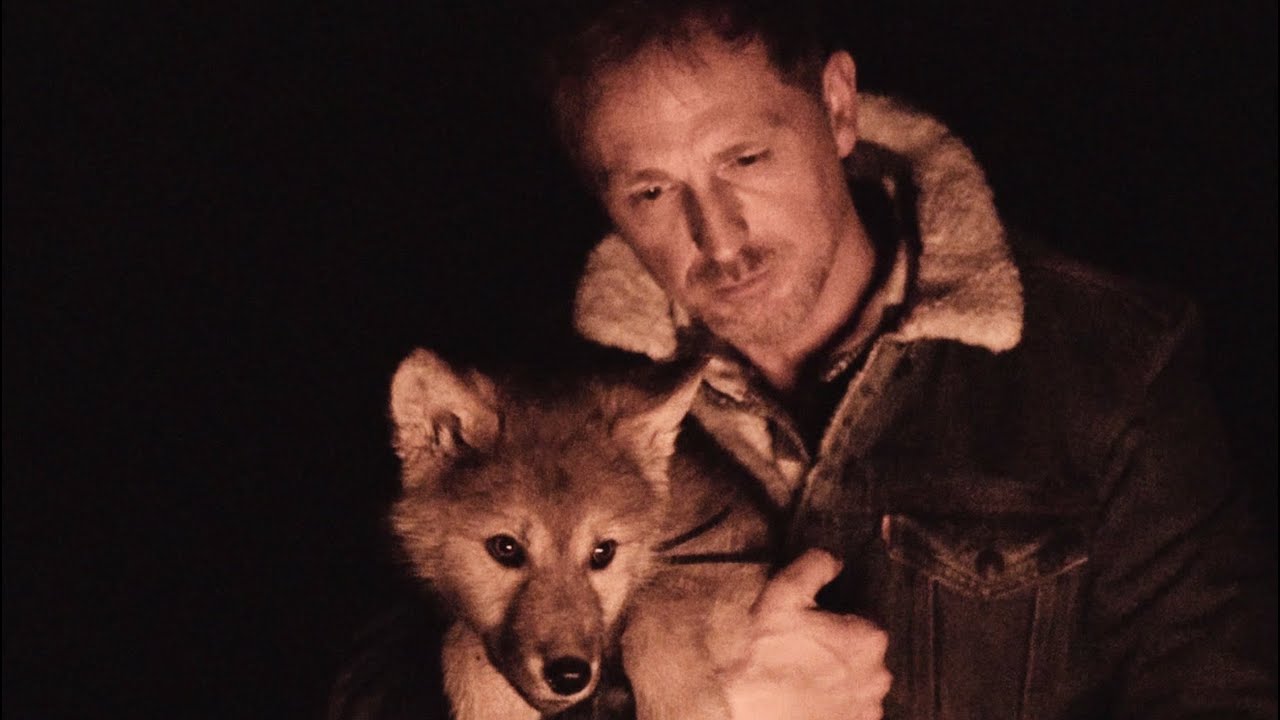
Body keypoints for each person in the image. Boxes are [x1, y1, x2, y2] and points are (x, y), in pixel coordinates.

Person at [332, 2, 1275, 718]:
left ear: (836, 107)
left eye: (745, 159)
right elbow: (364, 689)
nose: (717, 235)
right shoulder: (546, 395)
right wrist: (712, 701)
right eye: (652, 191)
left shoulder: (1109, 364)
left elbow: (1224, 688)